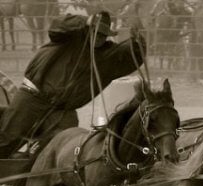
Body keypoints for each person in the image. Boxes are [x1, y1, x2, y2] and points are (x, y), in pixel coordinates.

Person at [0, 11, 146, 159]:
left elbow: (131, 57)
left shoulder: (105, 56)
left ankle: (37, 173)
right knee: (7, 140)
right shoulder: (67, 37)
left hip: (62, 110)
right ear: (88, 29)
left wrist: (138, 40)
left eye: (102, 35)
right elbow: (57, 25)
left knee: (65, 144)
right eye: (95, 32)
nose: (98, 38)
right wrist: (83, 21)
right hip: (32, 97)